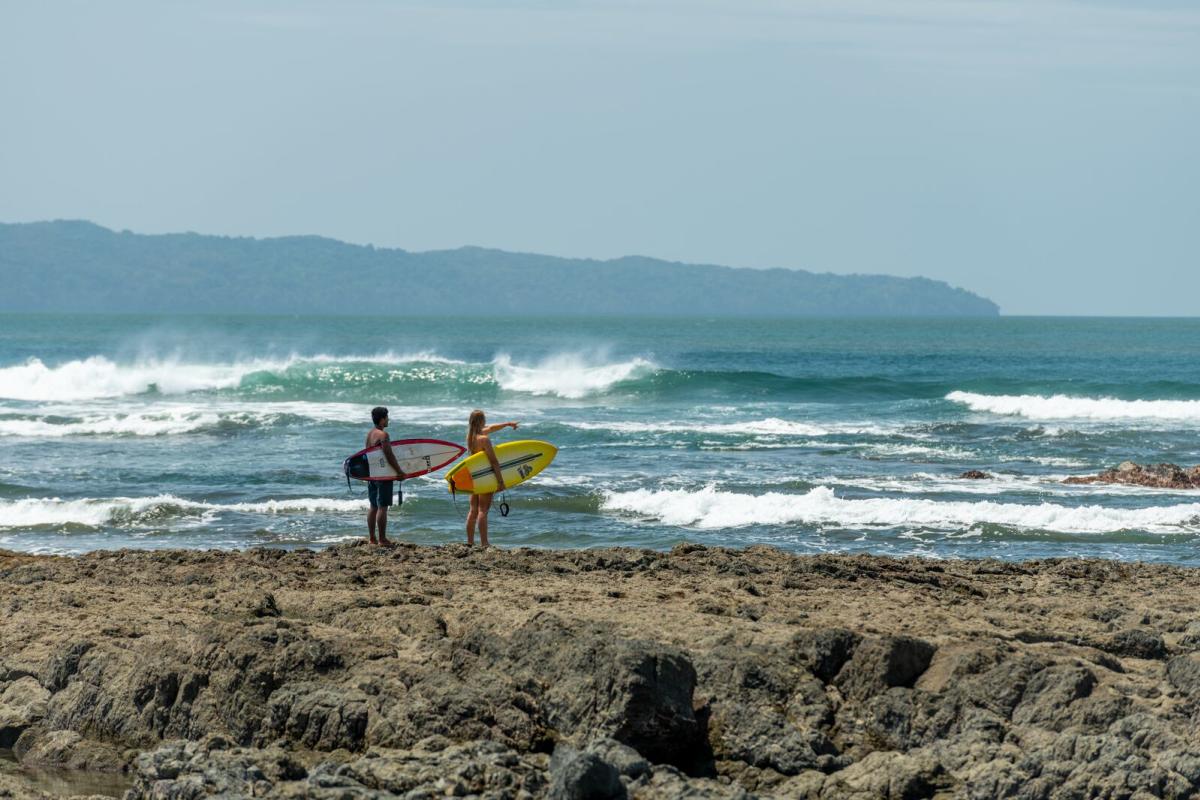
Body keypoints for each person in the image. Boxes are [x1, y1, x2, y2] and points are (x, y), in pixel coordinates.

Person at [465, 409, 519, 548]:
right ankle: (484, 543)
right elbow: (494, 461)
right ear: (481, 421)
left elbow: (492, 428)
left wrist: (507, 424)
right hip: (485, 478)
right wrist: (501, 481)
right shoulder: (484, 439)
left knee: (473, 511)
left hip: (474, 477)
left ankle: (470, 542)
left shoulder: (471, 437)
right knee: (483, 510)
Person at [365, 406, 406, 546]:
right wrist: (399, 471)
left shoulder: (370, 434)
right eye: (387, 417)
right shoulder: (383, 435)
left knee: (373, 506)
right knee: (383, 507)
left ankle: (372, 538)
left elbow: (367, 455)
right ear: (382, 419)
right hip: (383, 475)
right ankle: (382, 539)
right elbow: (389, 455)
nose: (388, 419)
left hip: (372, 474)